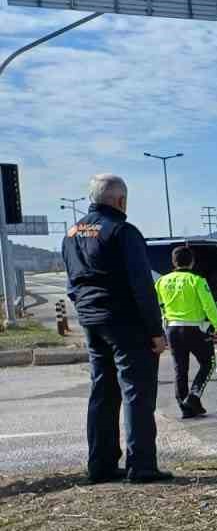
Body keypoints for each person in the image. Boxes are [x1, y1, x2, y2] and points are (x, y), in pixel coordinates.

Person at [62, 174, 170, 483]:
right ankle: (142, 466)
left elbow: (71, 282)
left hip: (92, 321)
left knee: (103, 392)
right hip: (126, 322)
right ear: (121, 200)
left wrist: (86, 312)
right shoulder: (123, 231)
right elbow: (142, 285)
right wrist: (155, 331)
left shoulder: (72, 233)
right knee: (137, 394)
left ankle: (101, 464)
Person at [155, 246, 217, 419]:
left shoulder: (161, 281)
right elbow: (209, 306)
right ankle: (193, 396)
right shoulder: (197, 280)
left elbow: (157, 305)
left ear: (173, 262)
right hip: (196, 329)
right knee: (209, 363)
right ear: (192, 261)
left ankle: (184, 405)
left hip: (172, 329)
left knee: (180, 368)